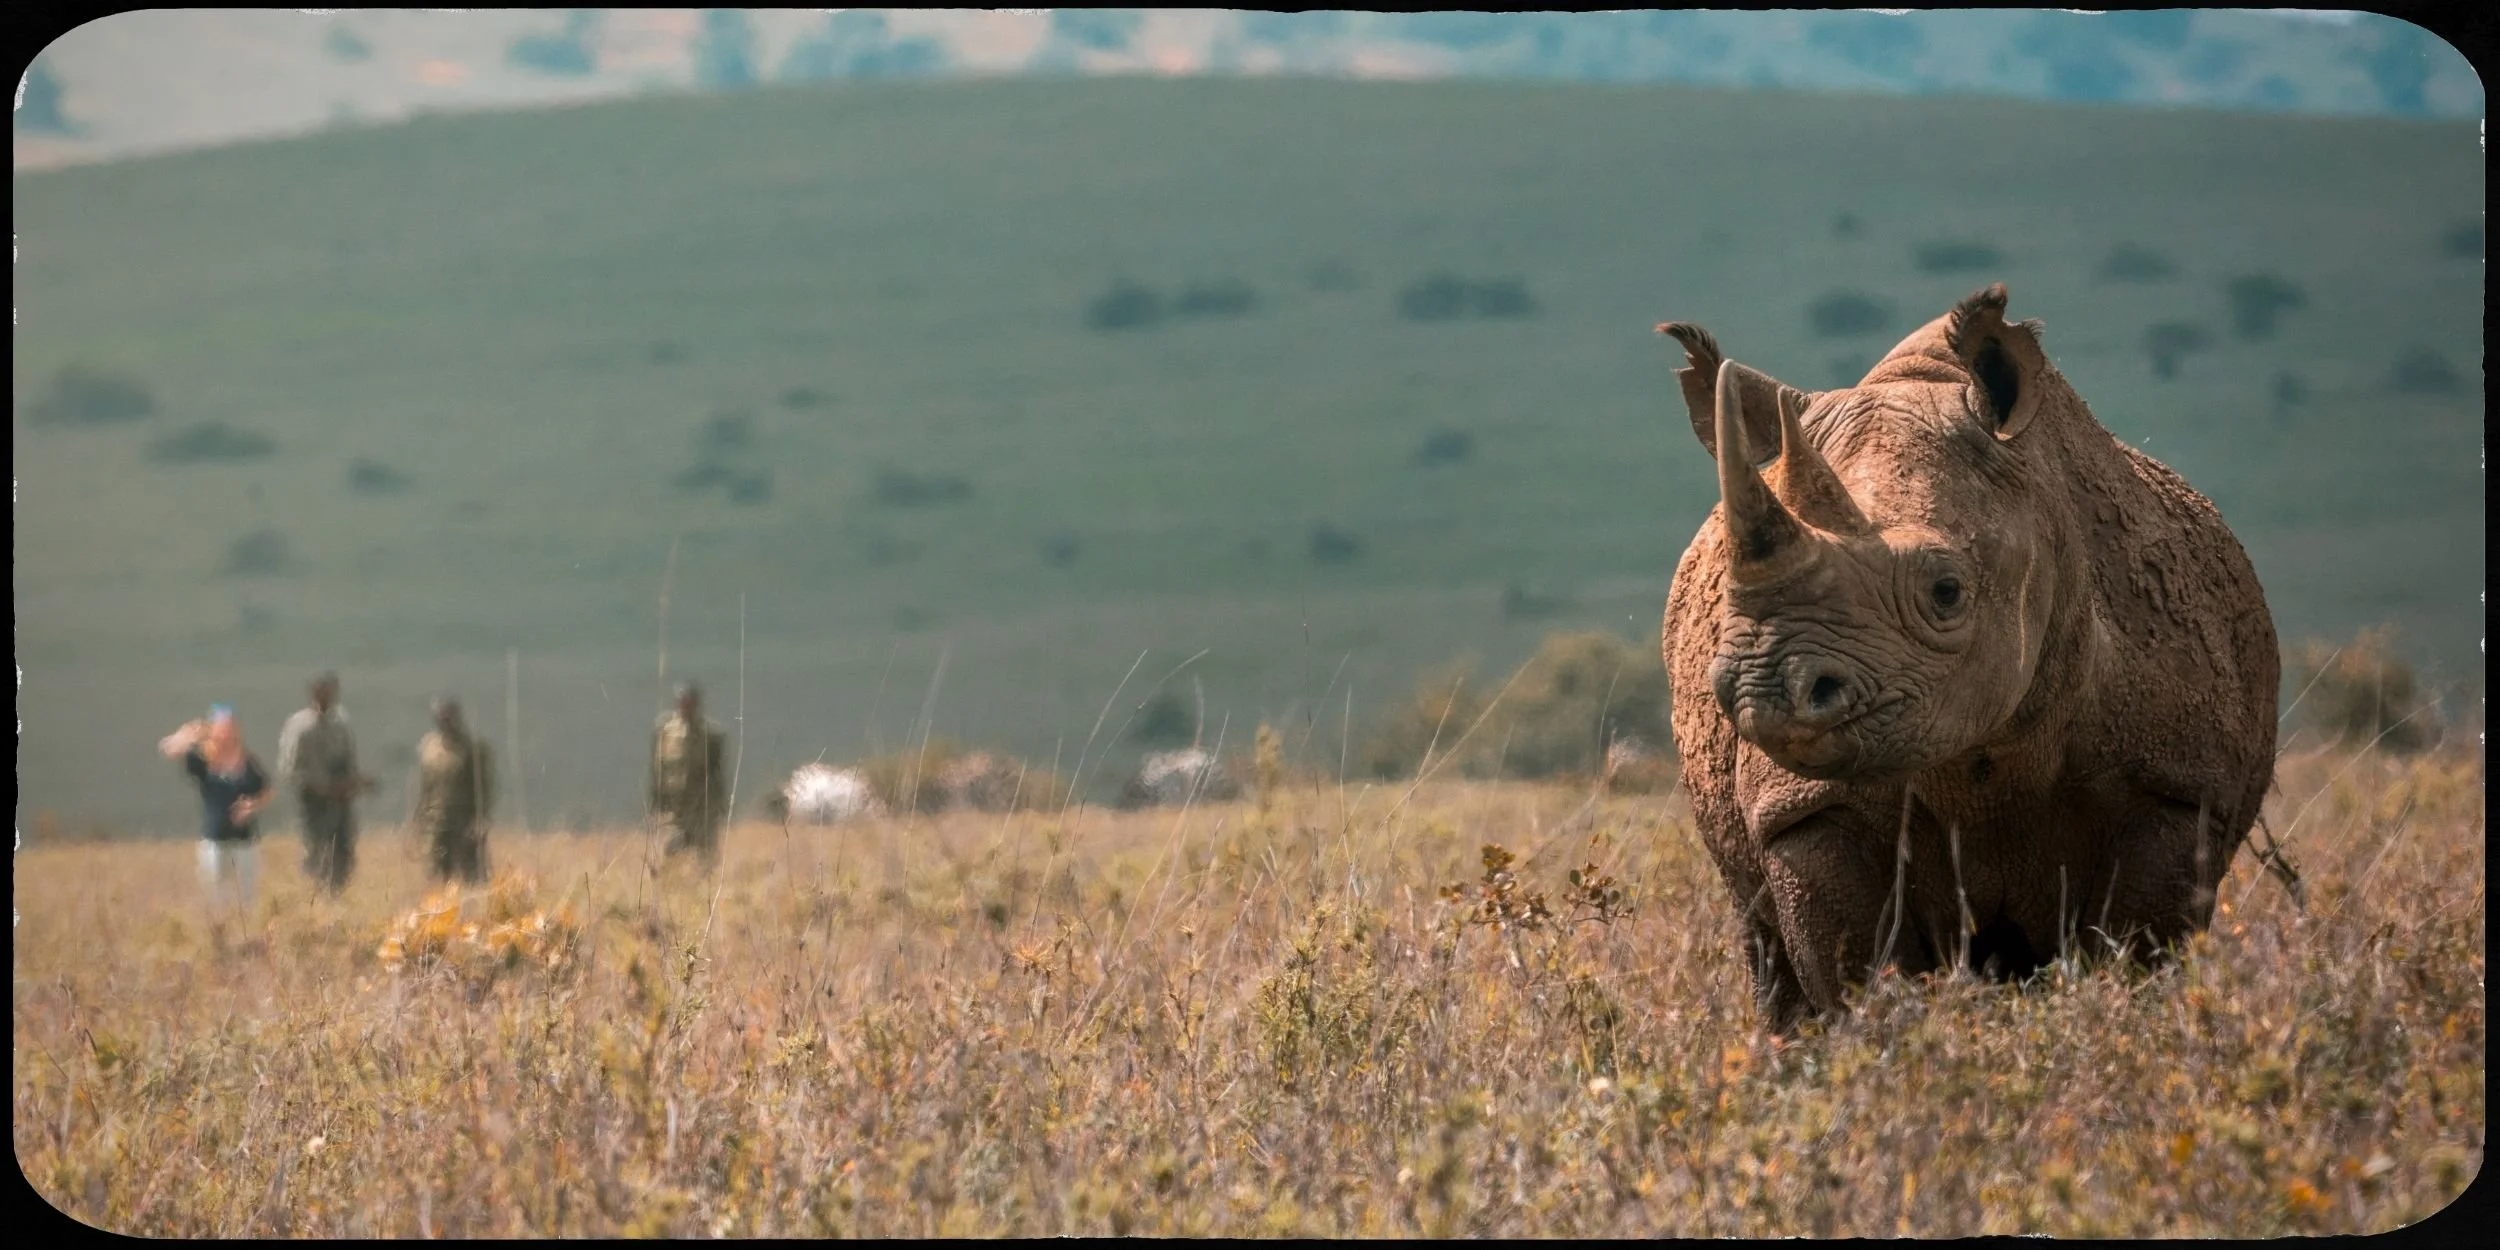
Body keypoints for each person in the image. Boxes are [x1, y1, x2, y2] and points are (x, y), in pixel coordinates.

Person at [159, 706, 274, 925]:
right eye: (222, 728)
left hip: (245, 841)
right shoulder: (202, 760)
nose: (227, 734)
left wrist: (252, 805)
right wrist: (188, 734)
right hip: (214, 840)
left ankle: (246, 934)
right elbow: (169, 749)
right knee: (215, 894)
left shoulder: (247, 762)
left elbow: (267, 790)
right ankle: (220, 934)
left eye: (231, 728)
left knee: (247, 897)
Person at [276, 671, 374, 895]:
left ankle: (337, 900)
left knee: (343, 857)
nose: (327, 696)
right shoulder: (300, 726)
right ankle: (316, 904)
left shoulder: (340, 723)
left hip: (341, 805)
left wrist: (355, 782)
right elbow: (291, 770)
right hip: (314, 805)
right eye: (322, 691)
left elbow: (349, 761)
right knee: (317, 857)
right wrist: (326, 786)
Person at [410, 696, 496, 885]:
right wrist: (417, 820)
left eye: (448, 717)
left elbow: (485, 788)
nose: (445, 722)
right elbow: (425, 788)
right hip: (436, 821)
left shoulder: (473, 749)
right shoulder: (429, 747)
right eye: (440, 717)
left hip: (464, 821)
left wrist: (481, 820)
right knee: (437, 874)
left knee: (472, 875)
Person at [649, 681, 729, 868]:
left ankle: (704, 890)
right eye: (683, 701)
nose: (686, 706)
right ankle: (669, 886)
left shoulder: (710, 735)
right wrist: (656, 797)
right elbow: (657, 768)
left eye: (690, 702)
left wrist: (719, 803)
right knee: (669, 848)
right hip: (674, 805)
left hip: (701, 804)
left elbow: (717, 771)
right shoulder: (666, 731)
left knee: (705, 853)